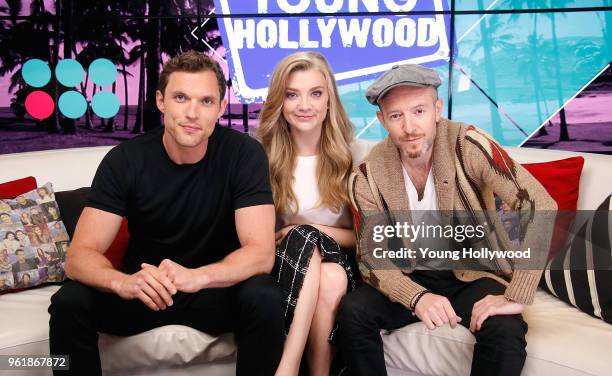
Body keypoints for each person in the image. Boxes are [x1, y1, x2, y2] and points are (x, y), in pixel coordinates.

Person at [48, 50, 284, 376]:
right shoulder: (125, 160)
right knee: (69, 302)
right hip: (144, 291)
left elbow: (260, 254)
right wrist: (124, 284)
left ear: (220, 107)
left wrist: (197, 277)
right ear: (161, 101)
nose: (192, 113)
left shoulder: (244, 154)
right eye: (180, 98)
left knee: (264, 296)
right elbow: (79, 257)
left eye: (205, 101)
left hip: (212, 291)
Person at [337, 64, 557, 376]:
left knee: (504, 332)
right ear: (382, 120)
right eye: (396, 115)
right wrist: (416, 298)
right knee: (353, 312)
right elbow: (372, 259)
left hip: (473, 273)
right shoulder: (367, 175)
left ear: (437, 110)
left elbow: (538, 204)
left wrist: (517, 296)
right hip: (410, 274)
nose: (410, 126)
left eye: (419, 111)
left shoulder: (468, 144)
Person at [258, 52, 357, 375]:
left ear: (329, 101)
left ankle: (287, 366)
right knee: (327, 276)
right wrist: (296, 238)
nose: (305, 105)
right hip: (282, 266)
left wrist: (311, 229)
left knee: (328, 266)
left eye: (315, 93)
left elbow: (364, 237)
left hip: (343, 263)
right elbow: (259, 235)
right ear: (280, 102)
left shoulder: (354, 157)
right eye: (292, 94)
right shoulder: (260, 156)